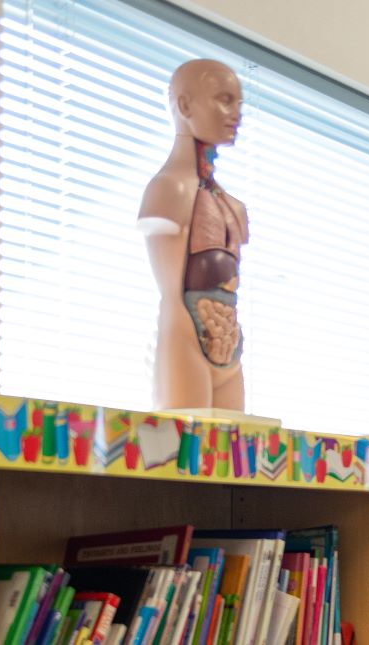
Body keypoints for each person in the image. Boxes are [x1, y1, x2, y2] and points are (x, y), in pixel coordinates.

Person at [138, 60, 248, 411]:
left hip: (228, 336)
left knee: (236, 456)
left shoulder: (232, 205)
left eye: (239, 104)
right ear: (185, 106)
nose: (236, 114)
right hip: (186, 334)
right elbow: (171, 292)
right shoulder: (167, 189)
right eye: (224, 99)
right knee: (186, 451)